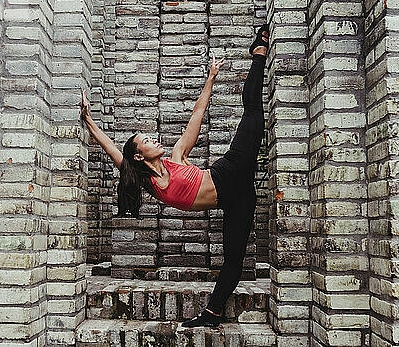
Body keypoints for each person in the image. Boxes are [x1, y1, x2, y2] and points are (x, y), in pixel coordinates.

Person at [81, 24, 270, 327]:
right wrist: (89, 121)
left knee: (253, 115)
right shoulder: (148, 181)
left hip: (231, 171)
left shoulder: (178, 157)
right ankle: (211, 314)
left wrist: (211, 78)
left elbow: (197, 115)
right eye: (146, 139)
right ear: (139, 155)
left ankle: (258, 54)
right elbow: (113, 150)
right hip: (237, 199)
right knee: (233, 262)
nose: (154, 138)